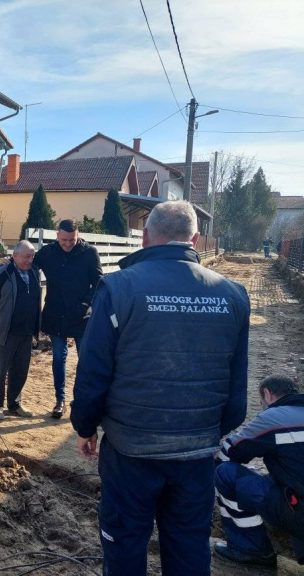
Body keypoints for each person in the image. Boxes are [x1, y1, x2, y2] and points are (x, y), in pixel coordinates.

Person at [71, 200, 251, 576]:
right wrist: (207, 434)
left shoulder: (118, 288)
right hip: (197, 455)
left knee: (124, 545)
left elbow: (93, 371)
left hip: (131, 452)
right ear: (195, 239)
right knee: (189, 546)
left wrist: (85, 426)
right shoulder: (233, 295)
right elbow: (237, 394)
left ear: (145, 237)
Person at [214, 375, 304, 568]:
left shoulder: (274, 417)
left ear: (267, 394)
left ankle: (251, 549)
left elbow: (230, 452)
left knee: (225, 473)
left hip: (300, 514)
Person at [34, 219, 102, 419]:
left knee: (85, 360)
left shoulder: (89, 253)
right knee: (58, 358)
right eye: (64, 240)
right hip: (56, 313)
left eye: (72, 240)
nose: (67, 244)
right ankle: (60, 400)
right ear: (57, 236)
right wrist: (10, 262)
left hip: (81, 315)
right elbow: (28, 262)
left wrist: (87, 303)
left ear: (78, 235)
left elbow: (99, 282)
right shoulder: (47, 252)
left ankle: (84, 401)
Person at [0, 240, 41, 420]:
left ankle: (14, 404)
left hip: (26, 331)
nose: (29, 260)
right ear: (14, 256)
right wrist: (0, 316)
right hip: (6, 331)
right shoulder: (1, 273)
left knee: (20, 370)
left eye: (32, 256)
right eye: (26, 256)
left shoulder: (34, 272)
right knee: (0, 370)